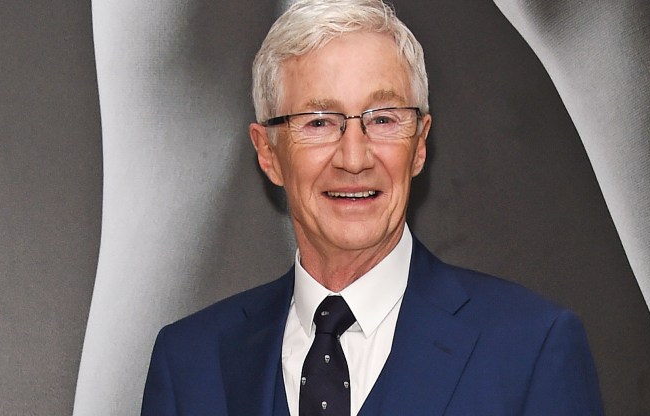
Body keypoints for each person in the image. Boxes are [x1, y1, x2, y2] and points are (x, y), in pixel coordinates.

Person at [141, 0, 604, 415]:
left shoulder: (530, 348)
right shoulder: (188, 362)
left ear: (420, 144)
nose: (354, 158)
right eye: (319, 122)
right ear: (268, 153)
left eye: (382, 119)